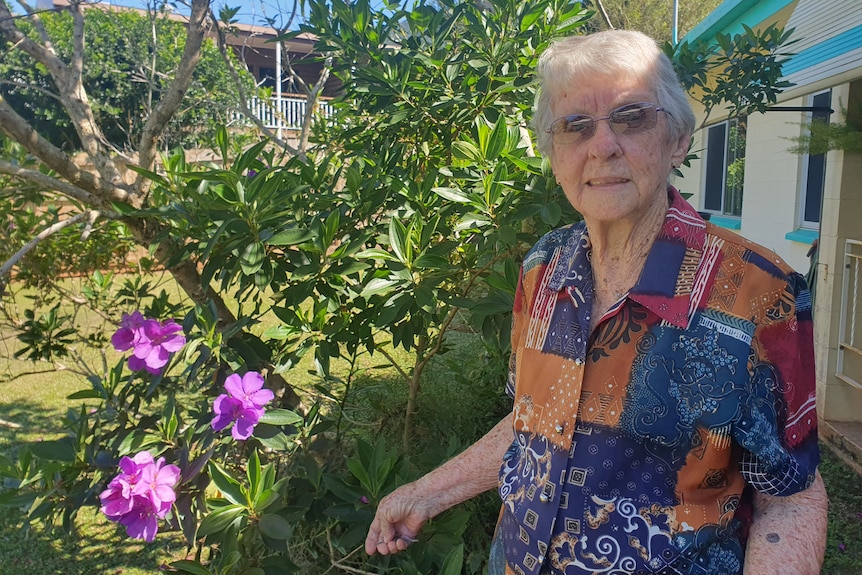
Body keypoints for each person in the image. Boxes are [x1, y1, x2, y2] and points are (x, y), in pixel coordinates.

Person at [365, 29, 828, 575]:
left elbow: (791, 497)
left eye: (631, 118)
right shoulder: (544, 267)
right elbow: (533, 421)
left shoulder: (759, 292)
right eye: (575, 126)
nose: (602, 145)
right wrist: (428, 492)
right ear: (554, 156)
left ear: (677, 140)